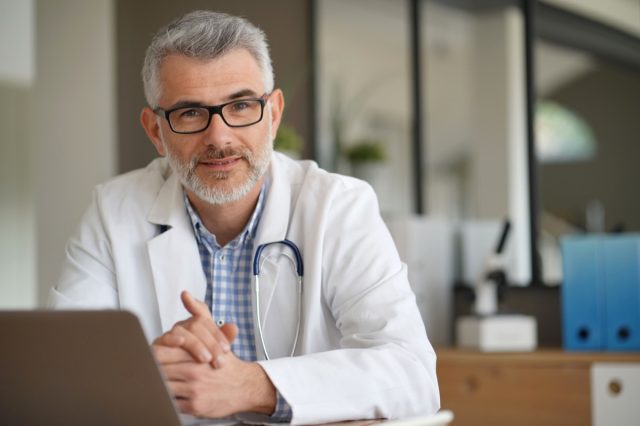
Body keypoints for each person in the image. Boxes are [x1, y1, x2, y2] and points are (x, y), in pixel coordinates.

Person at [49, 10, 440, 424]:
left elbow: (412, 374)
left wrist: (252, 385)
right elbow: (62, 375)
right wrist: (146, 370)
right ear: (155, 131)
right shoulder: (113, 212)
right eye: (190, 113)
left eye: (240, 105)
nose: (219, 137)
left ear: (273, 114)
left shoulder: (339, 206)